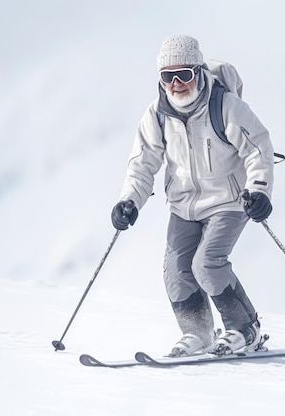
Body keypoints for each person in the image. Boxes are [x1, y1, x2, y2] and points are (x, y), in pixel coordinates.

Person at [111, 34, 275, 357]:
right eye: (167, 77)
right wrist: (128, 200)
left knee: (207, 264)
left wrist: (259, 190)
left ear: (198, 72)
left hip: (228, 201)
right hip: (184, 205)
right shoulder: (157, 115)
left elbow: (258, 148)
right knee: (175, 271)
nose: (176, 84)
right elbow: (143, 164)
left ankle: (246, 329)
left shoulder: (225, 106)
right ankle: (198, 333)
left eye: (183, 75)